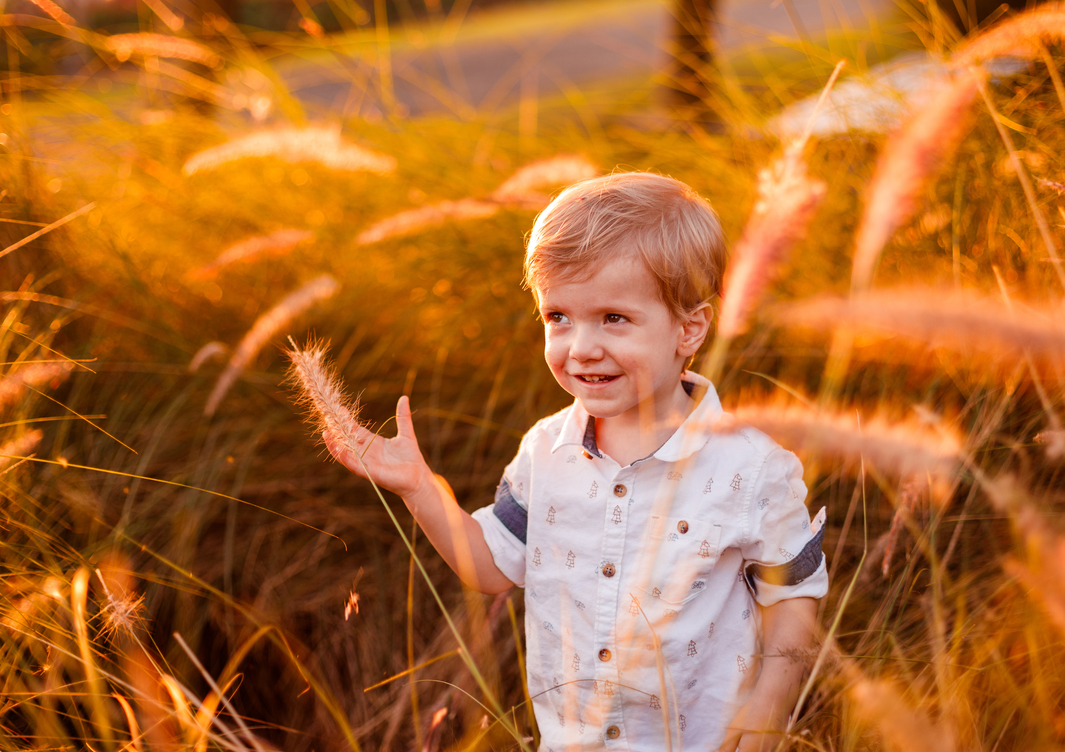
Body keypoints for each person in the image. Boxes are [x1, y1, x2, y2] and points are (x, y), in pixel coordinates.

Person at [325, 172, 829, 751]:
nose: (580, 346)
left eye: (614, 318)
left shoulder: (751, 467)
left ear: (689, 328)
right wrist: (419, 487)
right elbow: (488, 568)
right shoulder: (545, 452)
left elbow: (792, 595)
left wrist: (769, 704)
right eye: (557, 317)